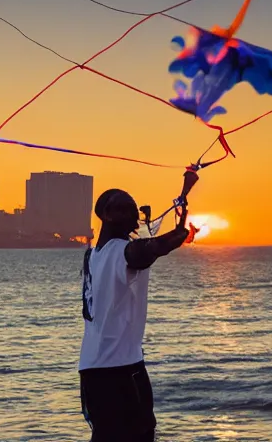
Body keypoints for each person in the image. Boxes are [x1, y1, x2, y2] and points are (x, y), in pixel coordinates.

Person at [79, 187, 192, 441]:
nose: (134, 215)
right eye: (126, 209)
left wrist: (179, 217)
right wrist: (181, 232)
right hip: (120, 368)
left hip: (92, 369)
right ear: (107, 214)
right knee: (139, 434)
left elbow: (143, 246)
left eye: (135, 210)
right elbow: (147, 250)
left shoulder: (92, 256)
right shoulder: (121, 251)